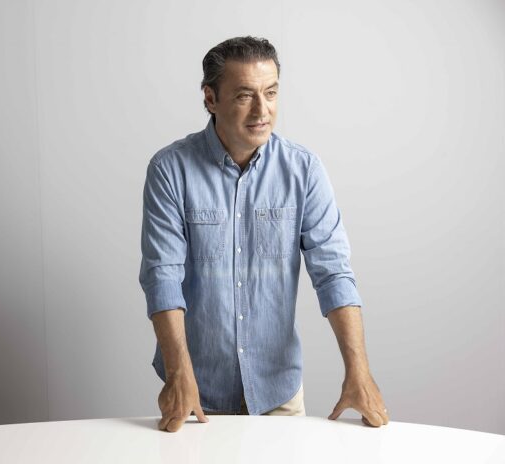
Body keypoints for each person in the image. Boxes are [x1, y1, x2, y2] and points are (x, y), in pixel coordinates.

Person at [139, 36, 388, 433]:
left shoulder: (304, 170)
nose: (262, 110)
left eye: (271, 93)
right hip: (195, 392)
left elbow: (333, 273)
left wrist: (359, 372)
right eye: (244, 96)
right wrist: (178, 374)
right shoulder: (170, 170)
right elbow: (162, 277)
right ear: (210, 98)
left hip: (278, 393)